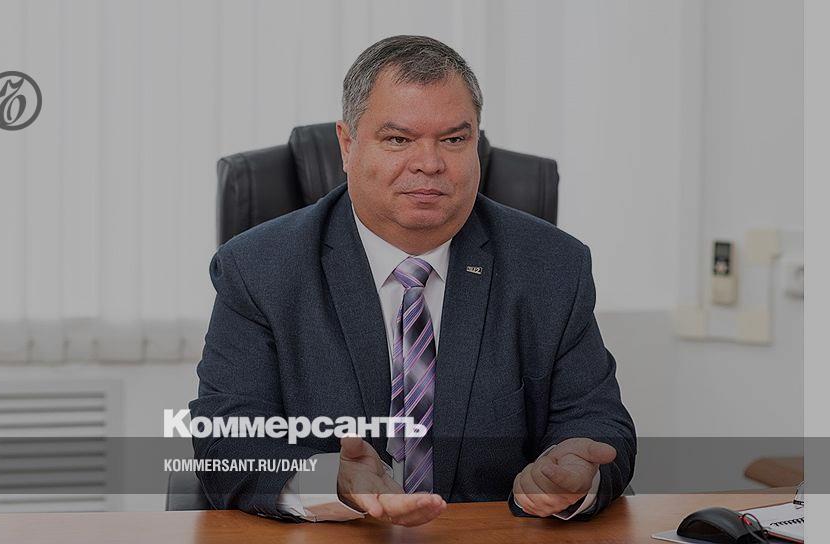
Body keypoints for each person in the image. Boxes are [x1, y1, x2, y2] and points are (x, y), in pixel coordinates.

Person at [189, 34, 636, 526]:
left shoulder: (552, 266)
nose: (430, 163)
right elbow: (226, 438)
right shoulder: (259, 268)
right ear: (347, 145)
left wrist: (574, 476)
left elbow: (596, 422)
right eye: (399, 139)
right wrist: (331, 481)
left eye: (454, 139)